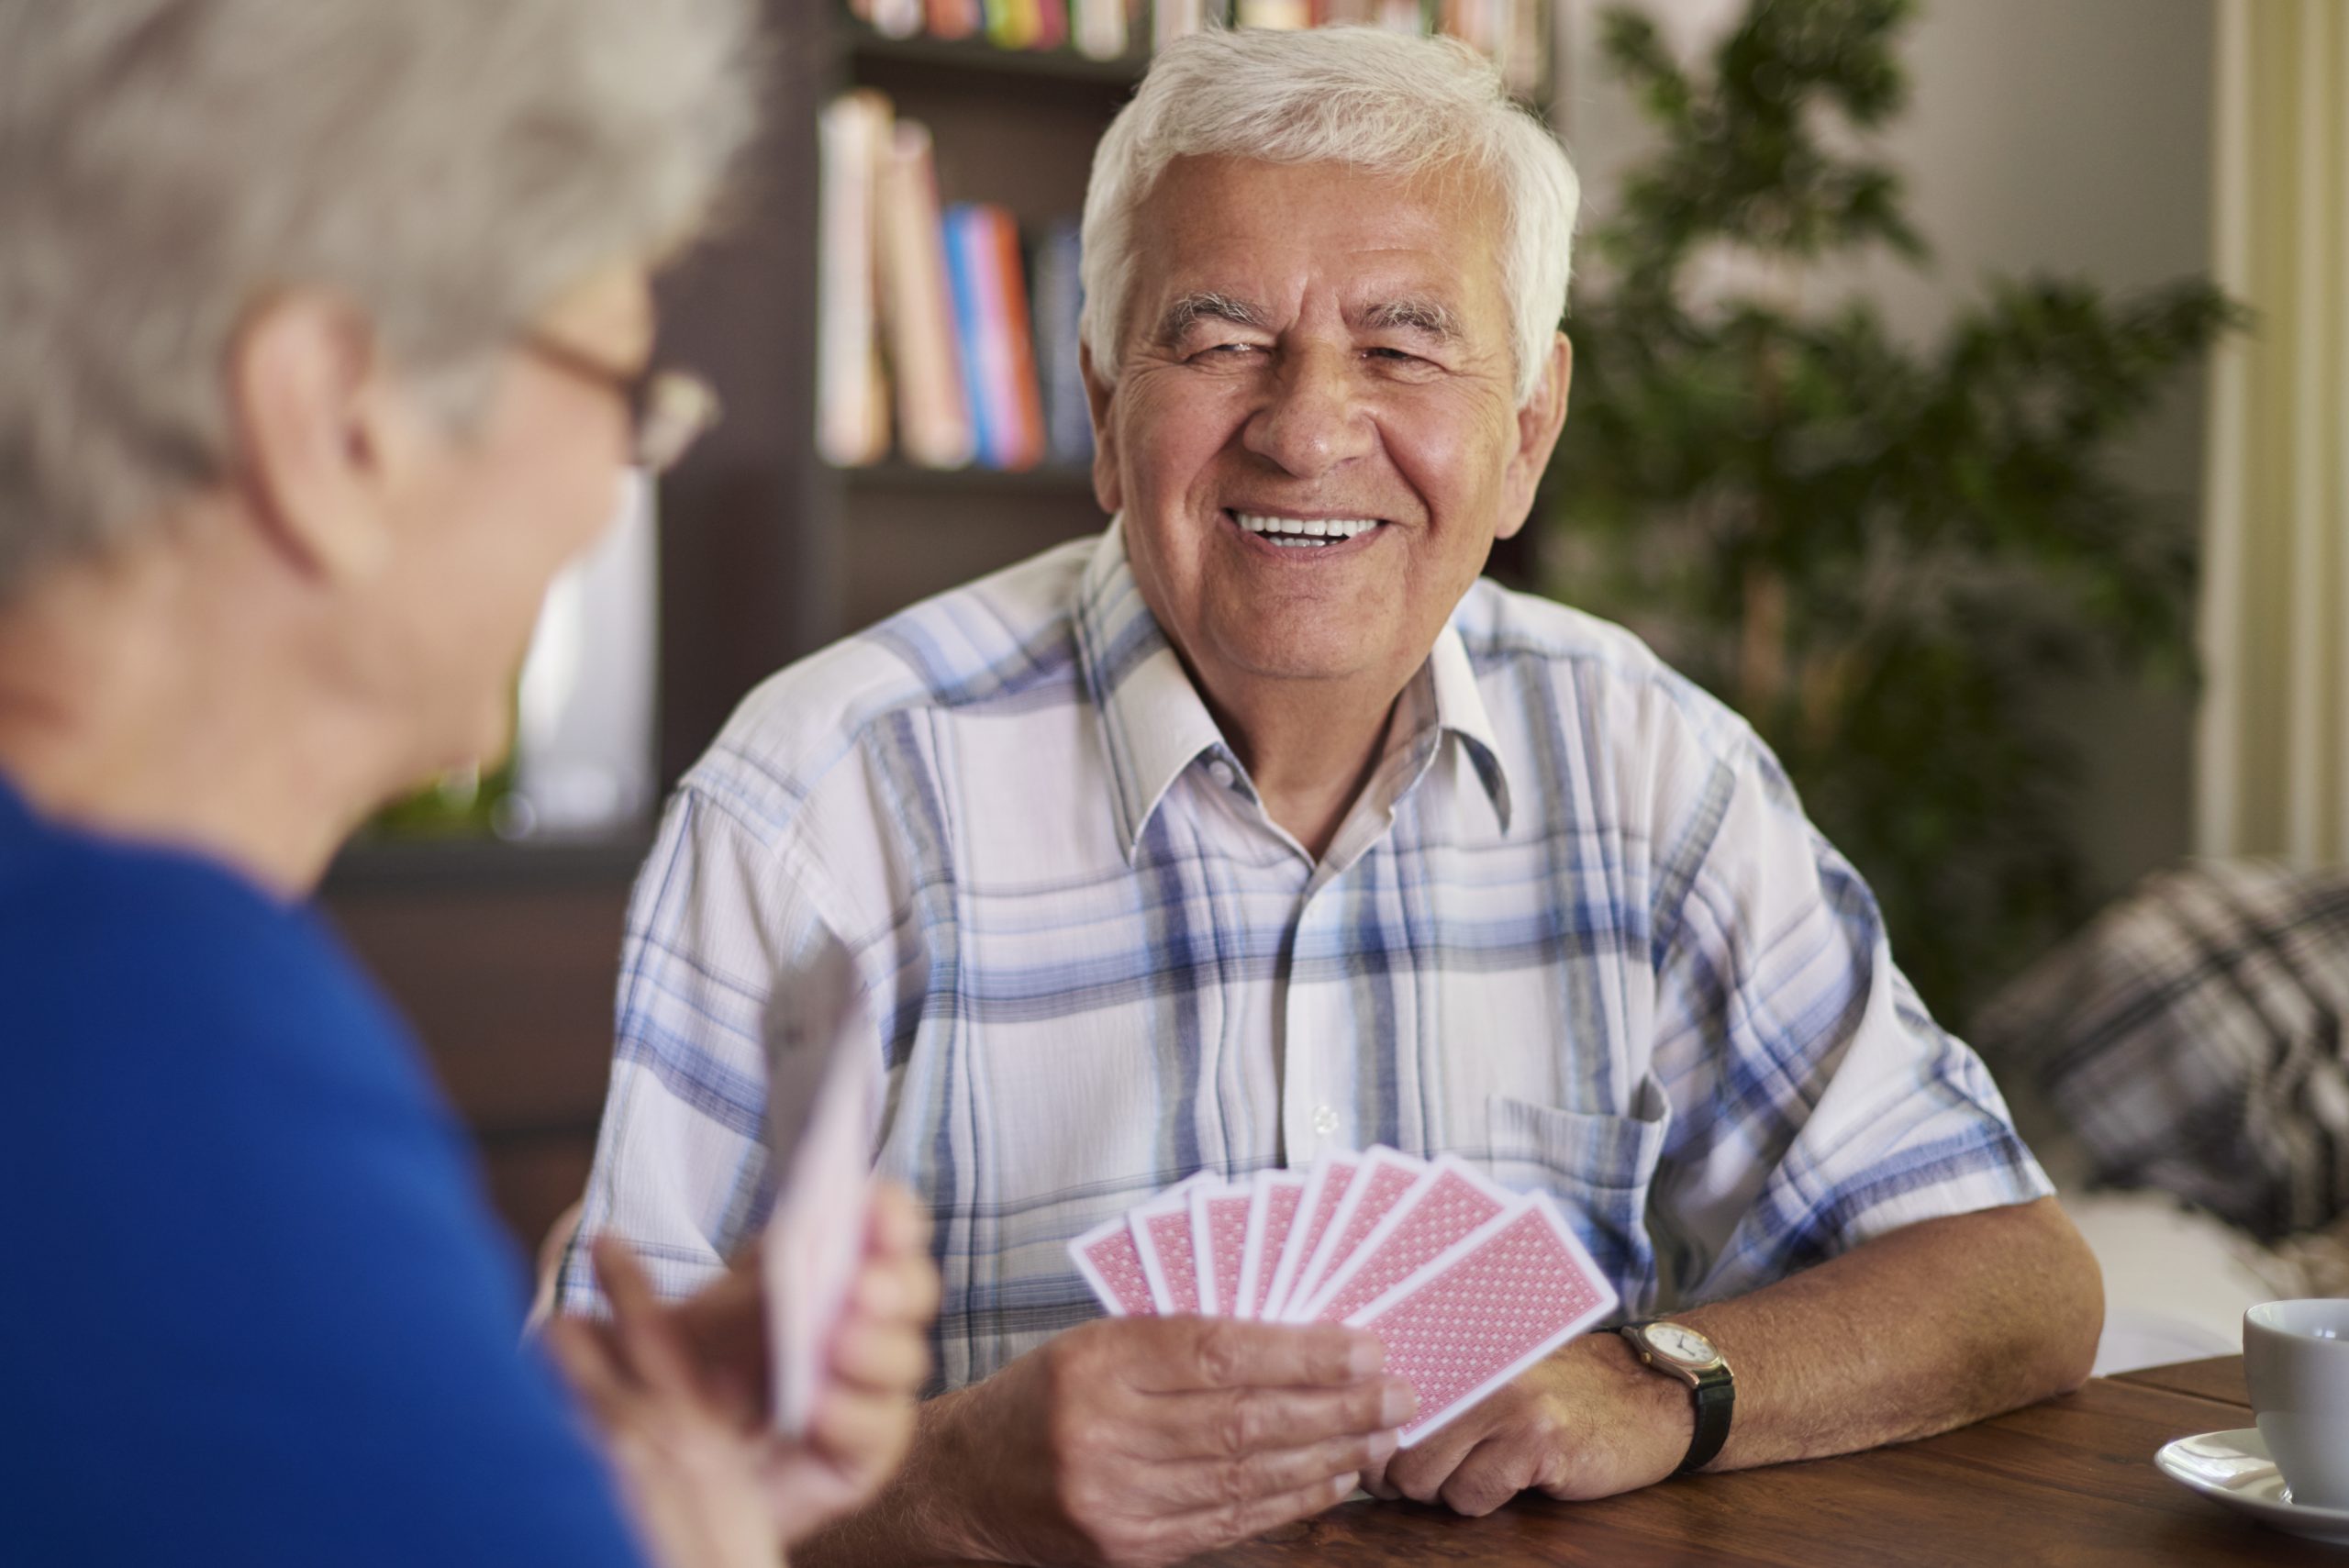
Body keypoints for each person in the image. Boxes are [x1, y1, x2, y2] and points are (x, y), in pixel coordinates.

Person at [560, 25, 2105, 1568]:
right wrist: (951, 1484)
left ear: (1526, 439)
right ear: (1103, 410)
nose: (1306, 430)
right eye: (1220, 337)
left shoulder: (1653, 768)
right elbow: (563, 1476)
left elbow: (2019, 1275)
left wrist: (1663, 1381)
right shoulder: (816, 801)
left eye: (1405, 343)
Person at [0, 5, 935, 1566]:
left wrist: (519, 1472)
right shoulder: (165, 1040)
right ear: (337, 419)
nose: (613, 482)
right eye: (625, 390)